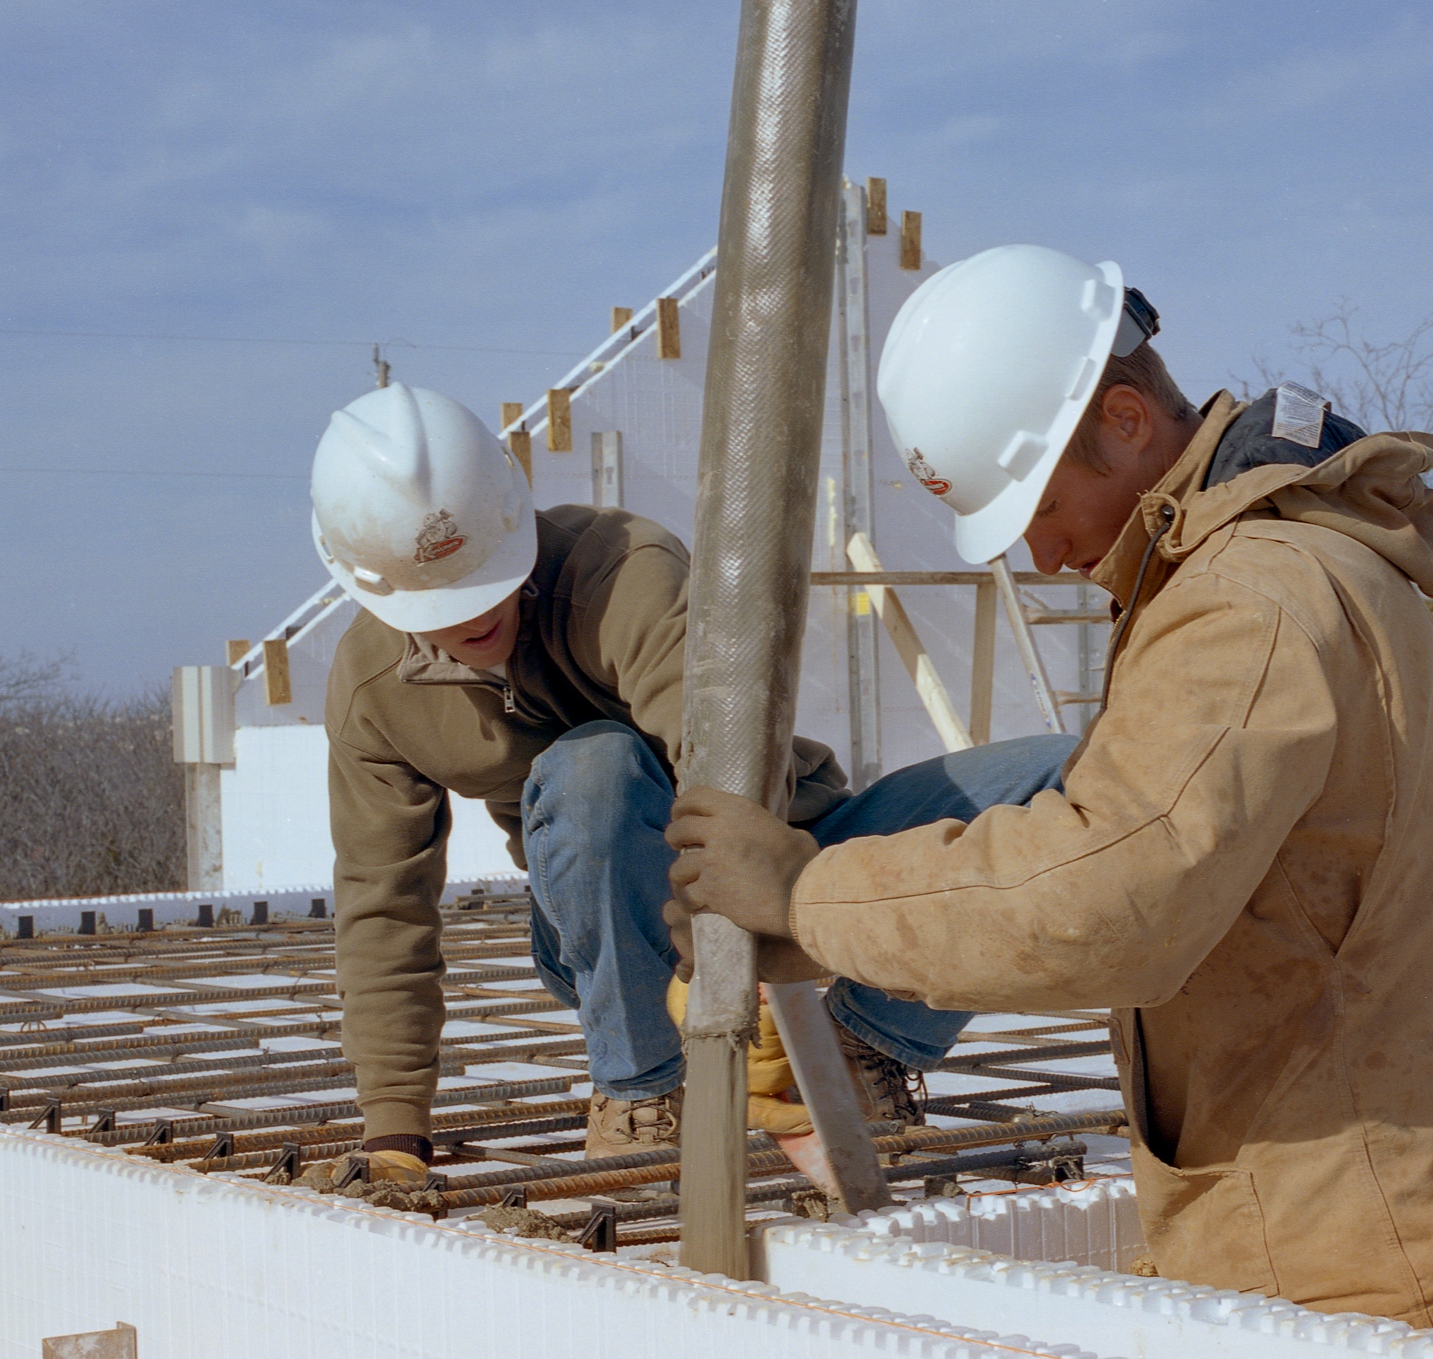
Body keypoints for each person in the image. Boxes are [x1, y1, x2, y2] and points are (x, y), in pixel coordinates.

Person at [664, 245, 1433, 1341]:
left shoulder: (1244, 599)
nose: (1039, 550)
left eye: (1041, 502)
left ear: (1123, 419)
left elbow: (1109, 893)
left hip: (1359, 1263)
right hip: (1387, 1215)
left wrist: (809, 896)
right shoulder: (1272, 564)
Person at [308, 381, 1073, 1185]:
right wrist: (395, 1128)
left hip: (781, 851)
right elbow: (383, 906)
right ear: (368, 588)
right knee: (593, 764)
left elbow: (723, 764)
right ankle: (645, 1094)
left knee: (1060, 777)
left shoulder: (616, 567)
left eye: (487, 572)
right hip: (611, 937)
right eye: (441, 599)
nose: (477, 612)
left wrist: (762, 946)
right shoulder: (373, 692)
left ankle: (859, 1050)